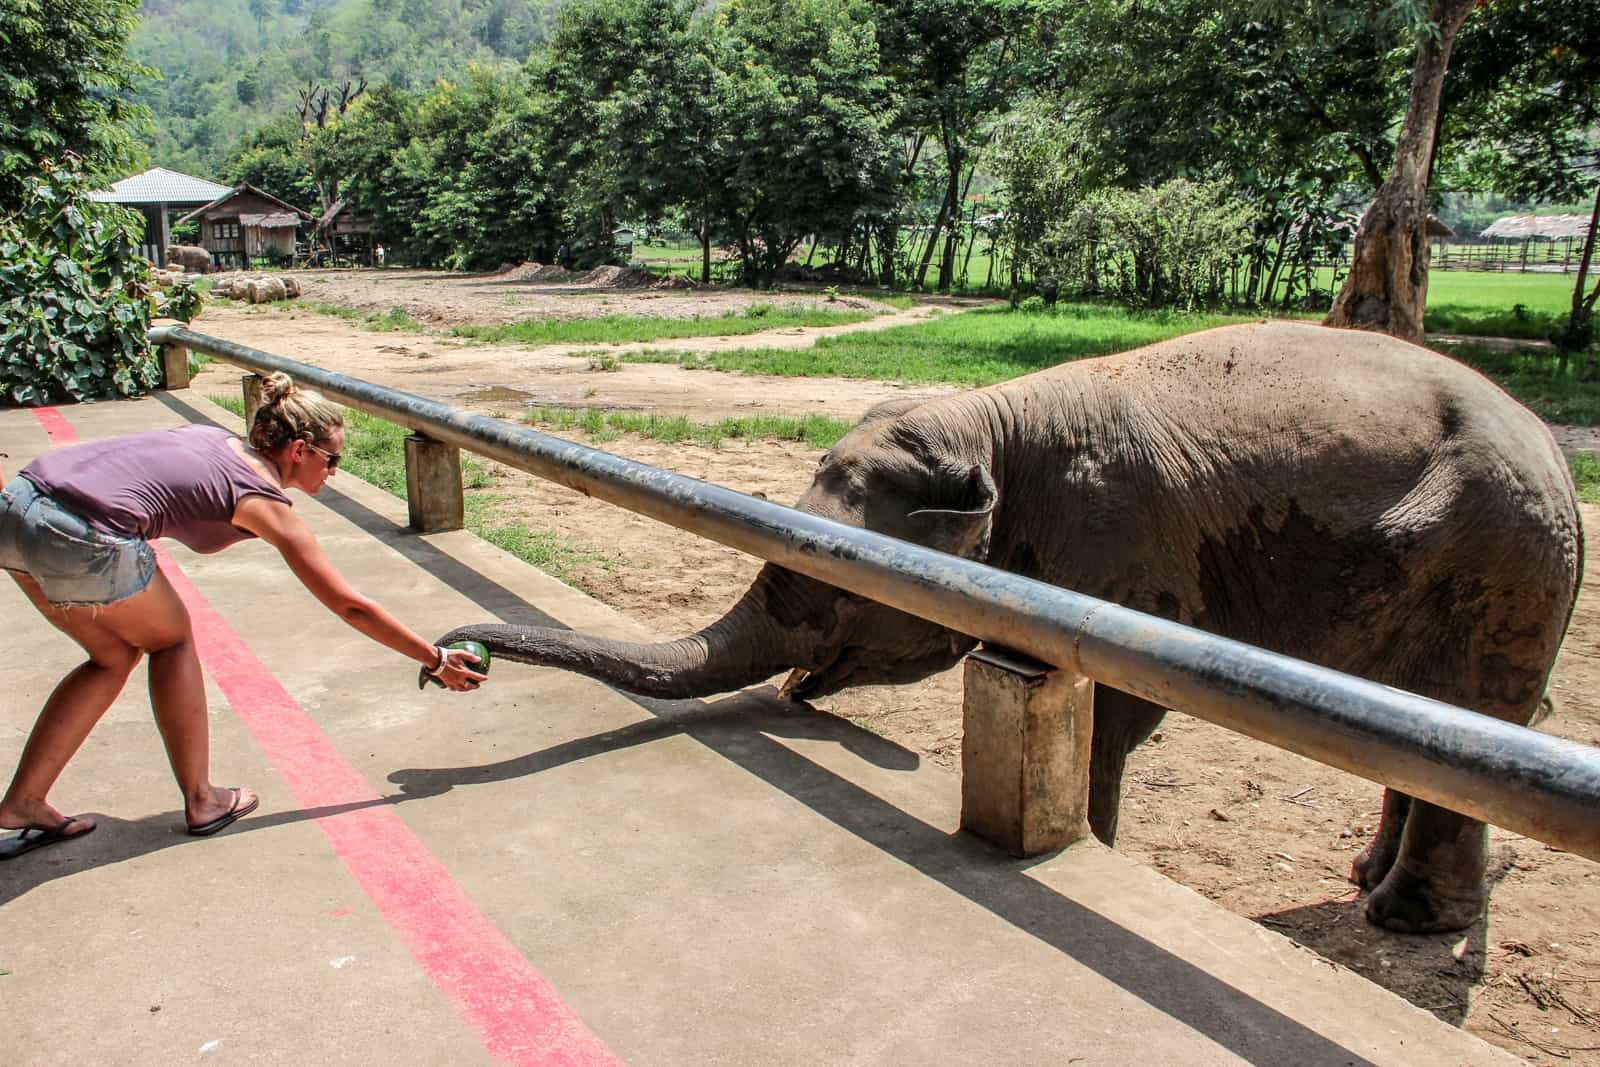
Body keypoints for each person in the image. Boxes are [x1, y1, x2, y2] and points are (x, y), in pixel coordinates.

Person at [0, 372, 485, 859]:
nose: (333, 471)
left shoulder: (213, 439)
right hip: (82, 534)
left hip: (18, 507)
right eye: (331, 459)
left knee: (110, 658)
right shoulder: (262, 502)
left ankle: (23, 802)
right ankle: (202, 800)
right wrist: (435, 658)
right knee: (172, 641)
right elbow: (350, 605)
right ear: (299, 450)